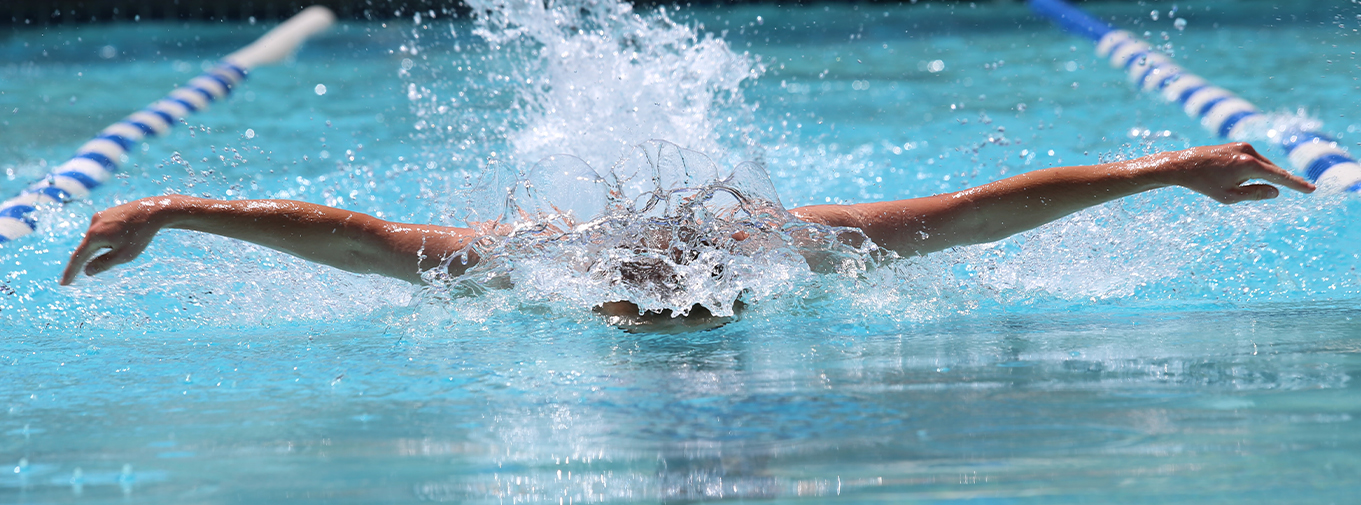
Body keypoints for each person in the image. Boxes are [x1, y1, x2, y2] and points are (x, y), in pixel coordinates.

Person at [60, 142, 1313, 325]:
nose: (671, 304)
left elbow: (989, 213)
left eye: (688, 284)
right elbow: (354, 234)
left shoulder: (793, 246)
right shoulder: (530, 261)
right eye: (644, 285)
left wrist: (1170, 170)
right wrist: (165, 205)